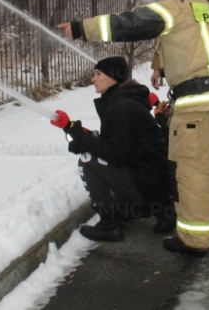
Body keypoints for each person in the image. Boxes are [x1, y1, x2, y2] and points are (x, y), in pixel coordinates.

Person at [58, 0, 209, 255]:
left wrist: (84, 28)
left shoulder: (178, 5)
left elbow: (135, 23)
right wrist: (159, 64)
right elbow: (189, 42)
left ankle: (194, 239)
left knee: (192, 171)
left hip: (197, 104)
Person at [53, 56, 175, 242]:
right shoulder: (124, 101)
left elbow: (116, 154)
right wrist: (77, 133)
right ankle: (155, 210)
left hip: (148, 184)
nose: (92, 79)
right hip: (156, 185)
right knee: (92, 151)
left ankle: (109, 225)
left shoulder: (122, 106)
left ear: (112, 78)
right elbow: (116, 142)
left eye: (98, 74)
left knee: (87, 160)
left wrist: (81, 137)